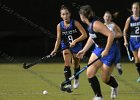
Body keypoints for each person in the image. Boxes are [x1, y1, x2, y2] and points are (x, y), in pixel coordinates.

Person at [77, 5, 119, 100]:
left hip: (110, 49)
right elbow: (92, 37)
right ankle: (99, 96)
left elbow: (111, 35)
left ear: (83, 17)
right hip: (99, 49)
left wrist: (106, 50)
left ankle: (115, 85)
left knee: (105, 79)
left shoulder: (95, 24)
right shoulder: (90, 25)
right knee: (90, 72)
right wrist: (84, 50)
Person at [51, 5, 87, 91]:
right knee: (67, 64)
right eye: (63, 14)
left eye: (67, 14)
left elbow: (85, 35)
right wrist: (55, 50)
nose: (65, 16)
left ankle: (76, 78)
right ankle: (68, 84)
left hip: (77, 46)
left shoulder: (75, 23)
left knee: (75, 64)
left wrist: (75, 41)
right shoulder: (59, 26)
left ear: (70, 14)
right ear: (61, 15)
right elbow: (59, 39)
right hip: (66, 45)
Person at [123, 2, 140, 82]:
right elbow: (125, 31)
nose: (135, 9)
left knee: (139, 56)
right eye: (134, 8)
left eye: (137, 8)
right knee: (137, 59)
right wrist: (125, 41)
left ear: (139, 9)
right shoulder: (129, 19)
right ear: (132, 9)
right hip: (133, 40)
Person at [103, 11, 123, 75]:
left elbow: (120, 34)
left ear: (111, 18)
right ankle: (116, 66)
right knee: (106, 60)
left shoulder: (113, 25)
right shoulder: (101, 26)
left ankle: (117, 65)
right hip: (105, 45)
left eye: (109, 17)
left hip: (113, 44)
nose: (107, 18)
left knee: (111, 58)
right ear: (103, 17)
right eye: (106, 16)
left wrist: (112, 36)